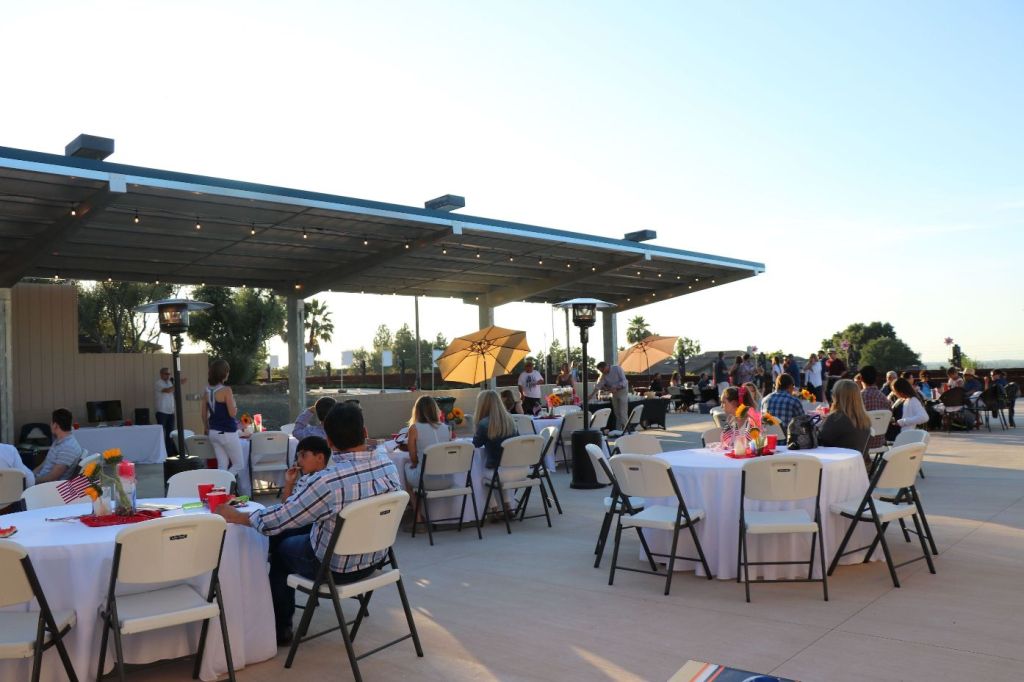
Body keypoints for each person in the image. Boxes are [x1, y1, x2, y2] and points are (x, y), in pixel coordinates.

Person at [215, 402, 401, 646]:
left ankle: (280, 627)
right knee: (289, 532)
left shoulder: (327, 481)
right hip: (375, 559)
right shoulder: (387, 465)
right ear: (364, 432)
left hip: (335, 568)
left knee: (279, 550)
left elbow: (279, 519)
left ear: (329, 442)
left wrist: (237, 515)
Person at [472, 390, 525, 515]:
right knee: (501, 464)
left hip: (500, 473)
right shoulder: (510, 419)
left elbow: (476, 444)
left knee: (478, 473)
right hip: (521, 470)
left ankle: (494, 508)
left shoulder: (484, 424)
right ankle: (507, 505)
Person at [201, 359, 248, 496]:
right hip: (226, 432)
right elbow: (232, 413)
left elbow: (203, 414)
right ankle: (221, 489)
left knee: (222, 465)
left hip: (213, 432)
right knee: (239, 465)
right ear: (224, 373)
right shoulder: (226, 390)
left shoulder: (207, 390)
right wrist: (235, 407)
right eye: (227, 371)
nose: (228, 373)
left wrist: (206, 427)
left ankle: (218, 493)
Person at [404, 395, 455, 496]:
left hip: (426, 481)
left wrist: (416, 464)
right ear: (435, 410)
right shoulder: (446, 428)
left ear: (417, 411)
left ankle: (416, 506)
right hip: (449, 479)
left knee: (405, 468)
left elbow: (413, 458)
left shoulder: (414, 428)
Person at [818, 379, 873, 466]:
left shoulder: (836, 418)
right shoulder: (865, 420)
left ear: (837, 396)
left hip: (833, 466)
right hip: (856, 467)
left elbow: (819, 440)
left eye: (832, 393)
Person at [34, 408, 85, 483]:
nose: (50, 425)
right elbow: (45, 463)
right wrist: (31, 474)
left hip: (47, 486)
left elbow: (52, 478)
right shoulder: (59, 440)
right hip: (40, 480)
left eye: (51, 423)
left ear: (55, 425)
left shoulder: (68, 448)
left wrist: (30, 481)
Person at [281, 435, 331, 501]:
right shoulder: (303, 479)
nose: (298, 461)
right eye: (298, 456)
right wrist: (289, 482)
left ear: (320, 457)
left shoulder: (326, 482)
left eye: (303, 455)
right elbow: (286, 505)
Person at [856, 365, 891, 453]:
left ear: (861, 379)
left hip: (862, 442)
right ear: (876, 379)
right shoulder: (884, 398)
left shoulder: (858, 398)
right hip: (880, 442)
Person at [760, 374, 805, 439]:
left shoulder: (764, 400)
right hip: (786, 441)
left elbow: (762, 422)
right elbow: (803, 422)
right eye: (793, 386)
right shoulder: (794, 401)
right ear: (790, 386)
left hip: (768, 440)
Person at [154, 367, 185, 456]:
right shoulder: (158, 383)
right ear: (161, 374)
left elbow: (173, 392)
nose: (168, 375)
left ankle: (169, 453)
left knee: (170, 433)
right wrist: (178, 383)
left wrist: (176, 385)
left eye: (169, 374)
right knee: (160, 434)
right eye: (166, 374)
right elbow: (167, 391)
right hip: (162, 412)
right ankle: (160, 453)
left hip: (170, 412)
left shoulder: (170, 383)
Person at [592, 361, 629, 431]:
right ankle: (619, 430)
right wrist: (591, 395)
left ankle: (627, 430)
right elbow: (598, 386)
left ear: (606, 366)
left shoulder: (617, 369)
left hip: (622, 391)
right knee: (617, 413)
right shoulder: (603, 375)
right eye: (601, 371)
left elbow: (624, 381)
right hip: (614, 393)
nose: (602, 372)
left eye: (603, 370)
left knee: (623, 413)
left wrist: (616, 387)